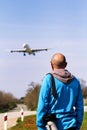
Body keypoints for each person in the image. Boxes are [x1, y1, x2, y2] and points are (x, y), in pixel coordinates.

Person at [36, 53, 84, 130]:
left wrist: (40, 126)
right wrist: (77, 125)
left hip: (53, 125)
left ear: (51, 64)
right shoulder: (75, 81)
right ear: (66, 64)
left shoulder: (48, 79)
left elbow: (42, 105)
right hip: (71, 125)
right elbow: (80, 107)